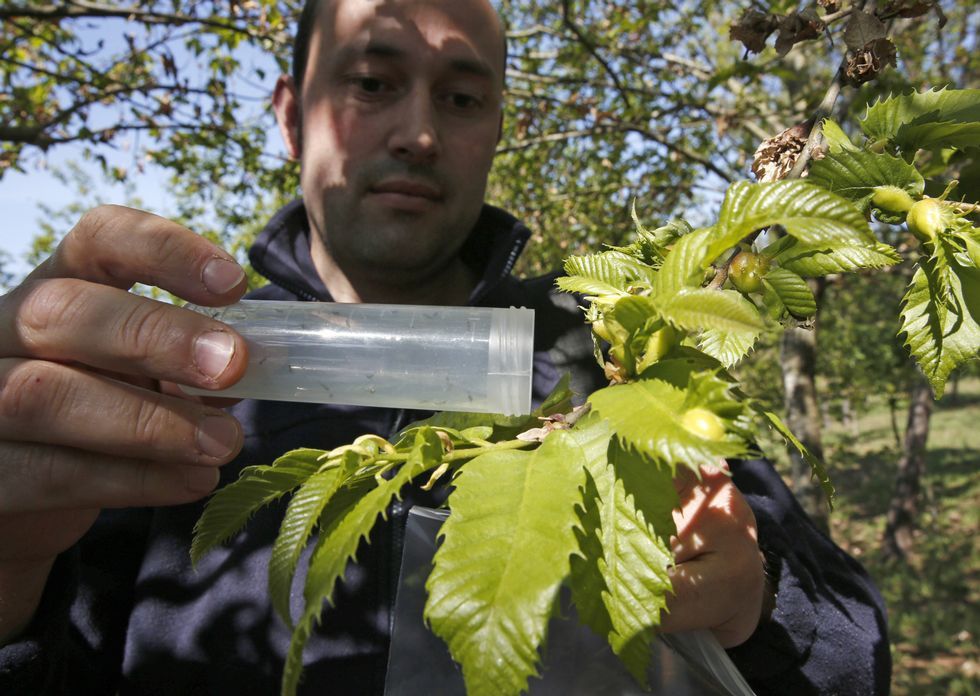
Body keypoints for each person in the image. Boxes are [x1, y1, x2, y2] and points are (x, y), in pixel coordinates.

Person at [0, 0, 890, 693]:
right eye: (372, 82)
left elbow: (855, 655)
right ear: (288, 113)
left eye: (462, 97)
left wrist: (758, 603)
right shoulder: (167, 384)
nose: (419, 133)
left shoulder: (619, 353)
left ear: (497, 125)